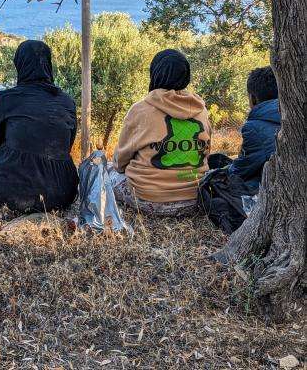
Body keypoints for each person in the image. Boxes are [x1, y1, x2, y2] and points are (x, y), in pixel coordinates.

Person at [0, 40, 79, 213]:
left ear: (20, 64)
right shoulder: (66, 101)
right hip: (63, 193)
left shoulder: (7, 99)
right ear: (48, 64)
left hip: (15, 194)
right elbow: (67, 145)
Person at [111, 49, 212, 216]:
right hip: (195, 199)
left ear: (155, 73)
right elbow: (206, 152)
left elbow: (120, 161)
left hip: (148, 200)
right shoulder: (201, 109)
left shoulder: (140, 110)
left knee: (109, 175)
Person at [198, 66, 280, 233]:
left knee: (212, 181)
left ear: (253, 98)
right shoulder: (294, 116)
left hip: (268, 190)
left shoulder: (254, 127)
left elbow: (240, 170)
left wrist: (222, 172)